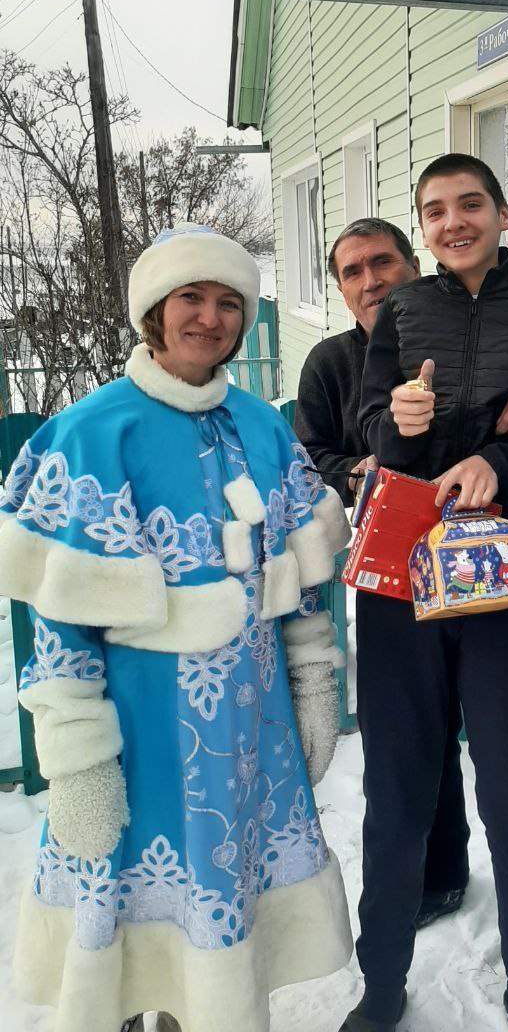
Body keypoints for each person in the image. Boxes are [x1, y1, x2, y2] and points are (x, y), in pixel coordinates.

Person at [0, 224, 354, 1032]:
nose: (211, 317)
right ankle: (133, 1013)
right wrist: (78, 759)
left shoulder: (262, 426)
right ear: (154, 311)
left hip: (251, 728)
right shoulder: (95, 430)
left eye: (230, 302)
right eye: (191, 297)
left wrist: (312, 680)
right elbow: (62, 613)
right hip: (142, 729)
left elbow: (303, 578)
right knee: (132, 902)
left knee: (228, 902)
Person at [343, 156, 508, 1032]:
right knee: (398, 793)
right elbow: (368, 427)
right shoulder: (402, 309)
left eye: (470, 204)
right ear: (423, 226)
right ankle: (381, 988)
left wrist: (506, 456)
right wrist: (398, 424)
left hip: (502, 578)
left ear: (503, 212)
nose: (453, 221)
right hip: (401, 583)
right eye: (435, 210)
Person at [296, 215, 508, 928]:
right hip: (395, 567)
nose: (370, 280)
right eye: (352, 271)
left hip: (489, 565)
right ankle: (436, 878)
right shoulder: (331, 364)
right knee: (411, 744)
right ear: (340, 289)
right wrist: (356, 472)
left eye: (383, 262)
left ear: (414, 265)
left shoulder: (486, 328)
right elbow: (309, 453)